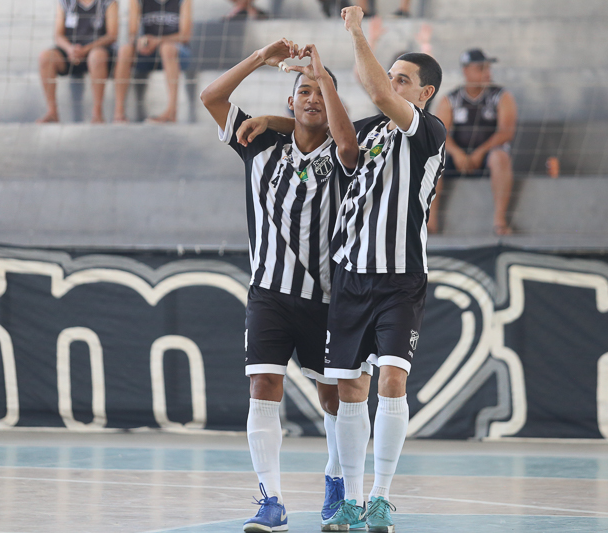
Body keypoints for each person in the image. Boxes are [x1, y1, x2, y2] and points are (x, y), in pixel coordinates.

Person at [200, 38, 359, 532]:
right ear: (290, 100)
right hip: (269, 293)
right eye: (304, 90)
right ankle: (272, 500)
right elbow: (211, 98)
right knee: (263, 386)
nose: (312, 97)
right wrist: (259, 60)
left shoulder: (346, 154)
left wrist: (318, 85)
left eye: (322, 90)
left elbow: (341, 137)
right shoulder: (258, 142)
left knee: (332, 396)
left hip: (328, 298)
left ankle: (336, 479)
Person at [323, 7, 444, 532]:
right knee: (351, 389)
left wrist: (354, 30)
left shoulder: (427, 131)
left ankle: (380, 497)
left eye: (404, 80)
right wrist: (299, 100)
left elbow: (373, 92)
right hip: (351, 275)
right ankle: (349, 499)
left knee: (392, 380)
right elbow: (336, 137)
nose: (393, 84)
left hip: (400, 279)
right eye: (391, 75)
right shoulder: (372, 131)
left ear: (424, 94)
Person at [433, 48, 517, 235]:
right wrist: (457, 153)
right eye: (481, 68)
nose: (487, 73)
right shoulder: (451, 99)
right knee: (431, 159)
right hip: (458, 156)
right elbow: (439, 132)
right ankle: (431, 223)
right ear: (466, 71)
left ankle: (500, 221)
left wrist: (479, 152)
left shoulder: (501, 96)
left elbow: (506, 132)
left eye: (488, 68)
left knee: (500, 157)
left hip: (489, 155)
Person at [38, 0, 119, 123]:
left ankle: (97, 114)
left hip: (97, 51)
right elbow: (58, 35)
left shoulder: (108, 2)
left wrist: (86, 50)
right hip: (71, 52)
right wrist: (70, 49)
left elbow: (112, 35)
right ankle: (52, 113)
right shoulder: (66, 2)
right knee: (45, 57)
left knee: (97, 56)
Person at [113, 0, 192, 123]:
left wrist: (158, 40)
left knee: (167, 48)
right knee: (125, 50)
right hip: (148, 49)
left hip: (177, 51)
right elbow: (132, 33)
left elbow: (185, 36)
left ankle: (171, 113)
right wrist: (140, 41)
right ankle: (119, 114)